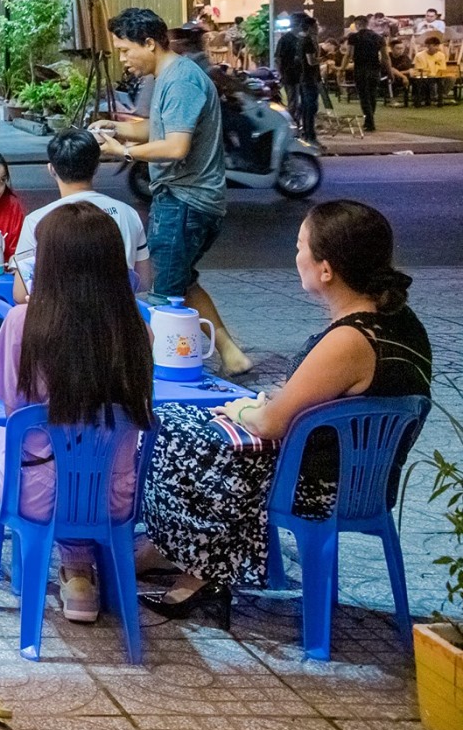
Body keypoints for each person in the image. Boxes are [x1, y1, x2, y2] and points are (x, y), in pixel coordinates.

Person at [139, 200, 433, 622]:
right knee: (199, 428)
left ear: (326, 269)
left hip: (318, 486)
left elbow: (271, 422)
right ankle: (176, 551)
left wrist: (242, 410)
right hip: (361, 477)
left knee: (174, 428)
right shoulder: (400, 321)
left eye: (300, 247)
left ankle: (195, 569)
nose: (296, 257)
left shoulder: (351, 339)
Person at [0, 205, 154, 624]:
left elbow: (14, 414)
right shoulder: (137, 329)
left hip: (33, 495)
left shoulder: (23, 323)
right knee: (81, 462)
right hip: (116, 498)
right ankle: (78, 575)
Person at [91, 8, 251, 376]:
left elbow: (176, 146)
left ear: (149, 43)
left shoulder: (180, 81)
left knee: (163, 295)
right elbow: (158, 128)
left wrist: (123, 152)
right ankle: (231, 354)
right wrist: (116, 128)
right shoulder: (169, 76)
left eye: (125, 50)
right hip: (188, 200)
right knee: (183, 281)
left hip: (185, 200)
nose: (123, 59)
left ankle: (166, 370)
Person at [14, 129, 150, 299]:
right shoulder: (128, 213)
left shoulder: (36, 220)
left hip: (58, 313)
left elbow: (21, 293)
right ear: (96, 167)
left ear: (52, 169)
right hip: (118, 310)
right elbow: (143, 283)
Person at [275, 12, 323, 142]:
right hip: (290, 75)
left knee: (305, 105)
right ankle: (293, 131)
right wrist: (281, 74)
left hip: (302, 75)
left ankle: (302, 128)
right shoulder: (287, 39)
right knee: (294, 104)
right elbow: (278, 58)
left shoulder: (305, 39)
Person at [347, 15, 387, 132]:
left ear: (357, 24)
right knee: (372, 95)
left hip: (360, 68)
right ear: (367, 23)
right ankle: (369, 120)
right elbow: (385, 57)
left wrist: (342, 69)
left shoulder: (353, 37)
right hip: (374, 68)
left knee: (364, 96)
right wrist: (389, 71)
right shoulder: (378, 37)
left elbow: (349, 54)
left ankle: (369, 122)